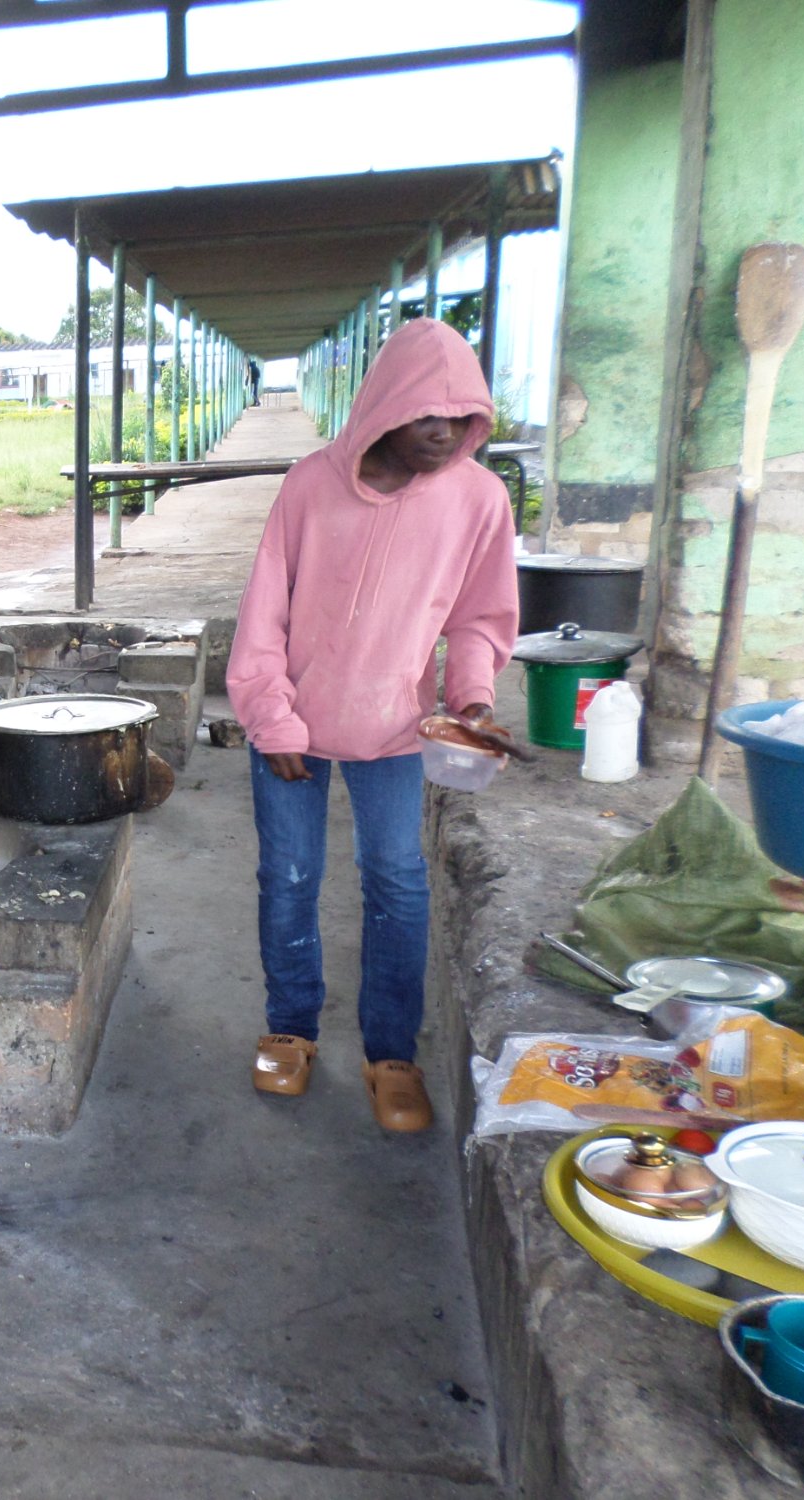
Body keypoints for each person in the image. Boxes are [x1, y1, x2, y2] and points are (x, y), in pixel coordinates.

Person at [224, 318, 517, 1132]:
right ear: (387, 402)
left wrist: (472, 699)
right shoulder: (309, 486)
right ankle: (291, 1027)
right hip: (292, 727)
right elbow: (262, 617)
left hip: (394, 727)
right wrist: (270, 719)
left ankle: (392, 1052)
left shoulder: (478, 499)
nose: (446, 432)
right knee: (289, 879)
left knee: (397, 881)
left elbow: (480, 617)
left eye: (463, 419)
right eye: (430, 411)